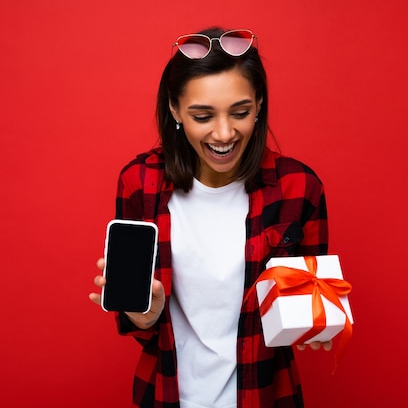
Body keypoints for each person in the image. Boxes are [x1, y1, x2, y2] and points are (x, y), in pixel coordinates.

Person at [89, 27, 332, 408]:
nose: (224, 133)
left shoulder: (299, 188)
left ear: (259, 105)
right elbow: (138, 323)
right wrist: (144, 315)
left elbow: (307, 306)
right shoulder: (139, 183)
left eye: (241, 112)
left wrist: (315, 324)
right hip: (167, 395)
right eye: (202, 115)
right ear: (174, 109)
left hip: (266, 396)